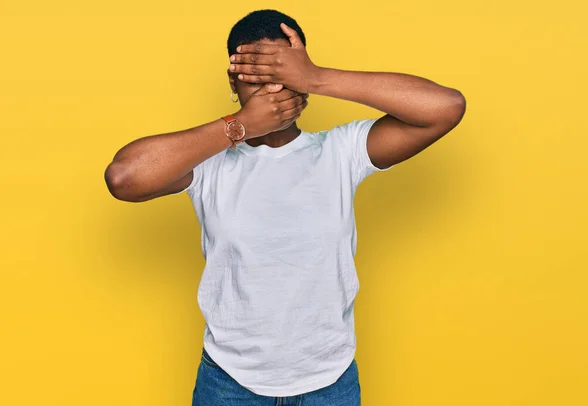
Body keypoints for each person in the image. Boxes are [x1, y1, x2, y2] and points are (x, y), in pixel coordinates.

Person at [104, 9, 466, 406]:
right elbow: (125, 178)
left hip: (330, 382)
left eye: (284, 76)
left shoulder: (340, 151)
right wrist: (237, 126)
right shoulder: (209, 163)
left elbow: (444, 107)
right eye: (257, 78)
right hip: (229, 382)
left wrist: (317, 76)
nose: (272, 91)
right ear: (233, 82)